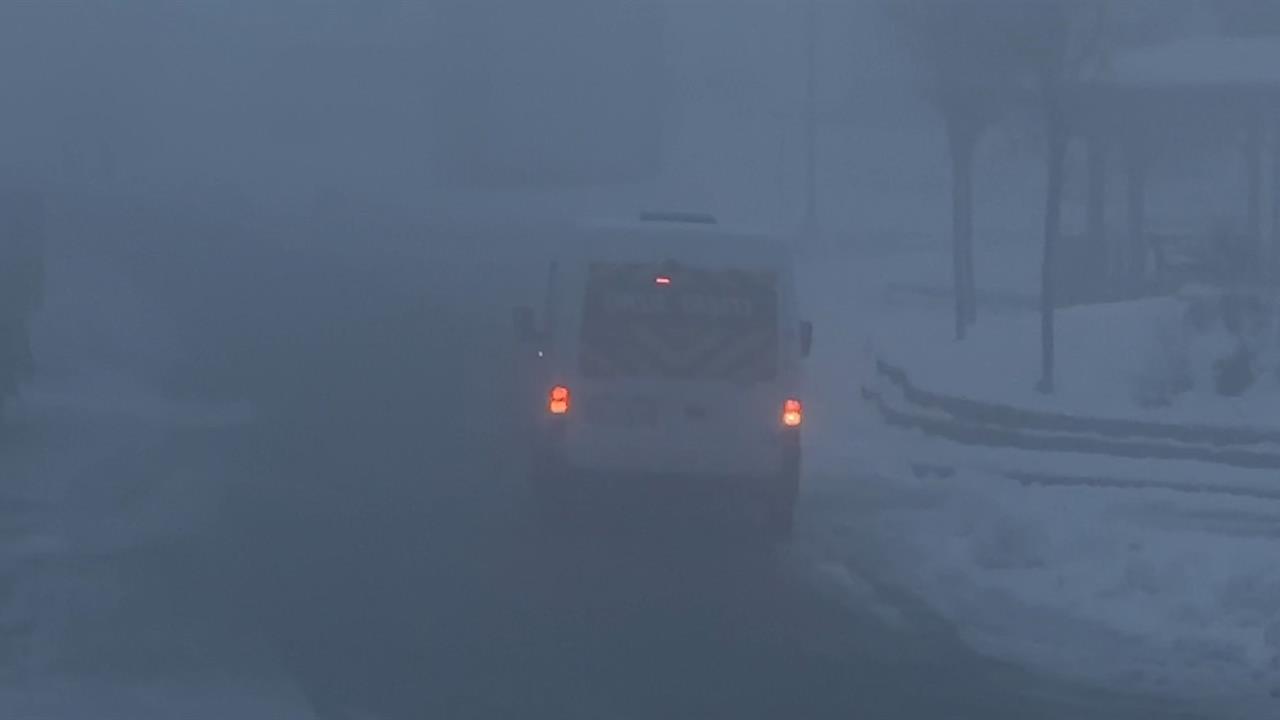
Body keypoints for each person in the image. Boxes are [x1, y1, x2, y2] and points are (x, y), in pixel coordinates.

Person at [0, 190, 45, 411]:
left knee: (12, 338)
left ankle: (10, 381)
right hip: (11, 305)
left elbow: (31, 275)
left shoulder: (23, 246)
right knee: (12, 338)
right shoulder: (22, 245)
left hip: (11, 306)